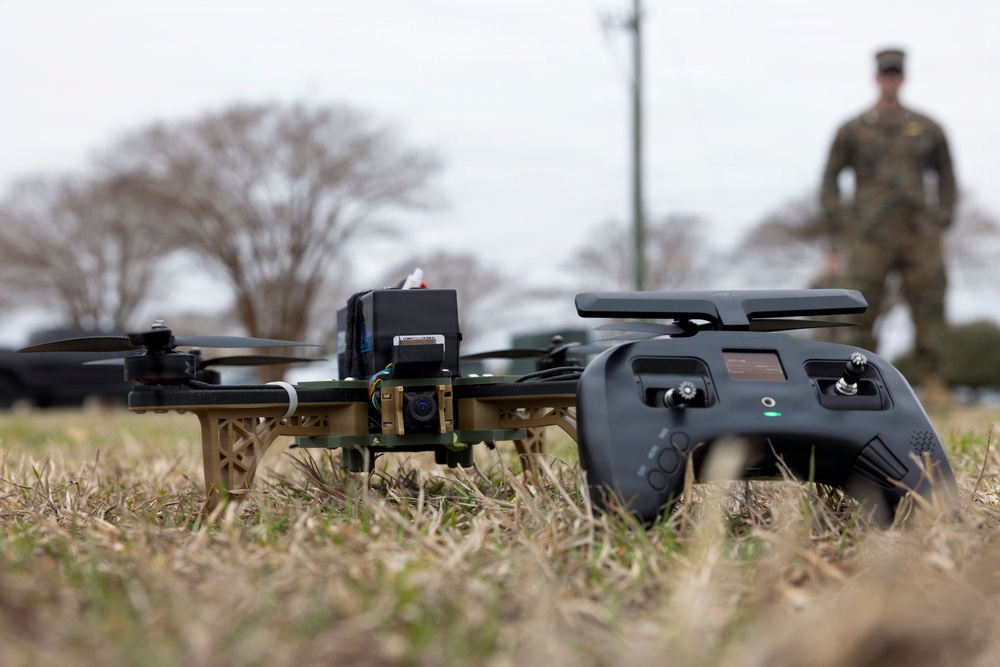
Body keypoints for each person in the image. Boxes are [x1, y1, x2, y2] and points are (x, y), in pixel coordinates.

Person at [820, 48, 957, 406]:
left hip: (919, 235)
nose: (890, 79)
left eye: (896, 73)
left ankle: (935, 383)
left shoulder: (929, 128)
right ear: (876, 77)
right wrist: (842, 223)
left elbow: (947, 177)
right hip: (869, 236)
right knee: (858, 308)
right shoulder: (852, 130)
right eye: (885, 73)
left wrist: (942, 218)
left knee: (930, 306)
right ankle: (853, 381)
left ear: (903, 77)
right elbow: (829, 180)